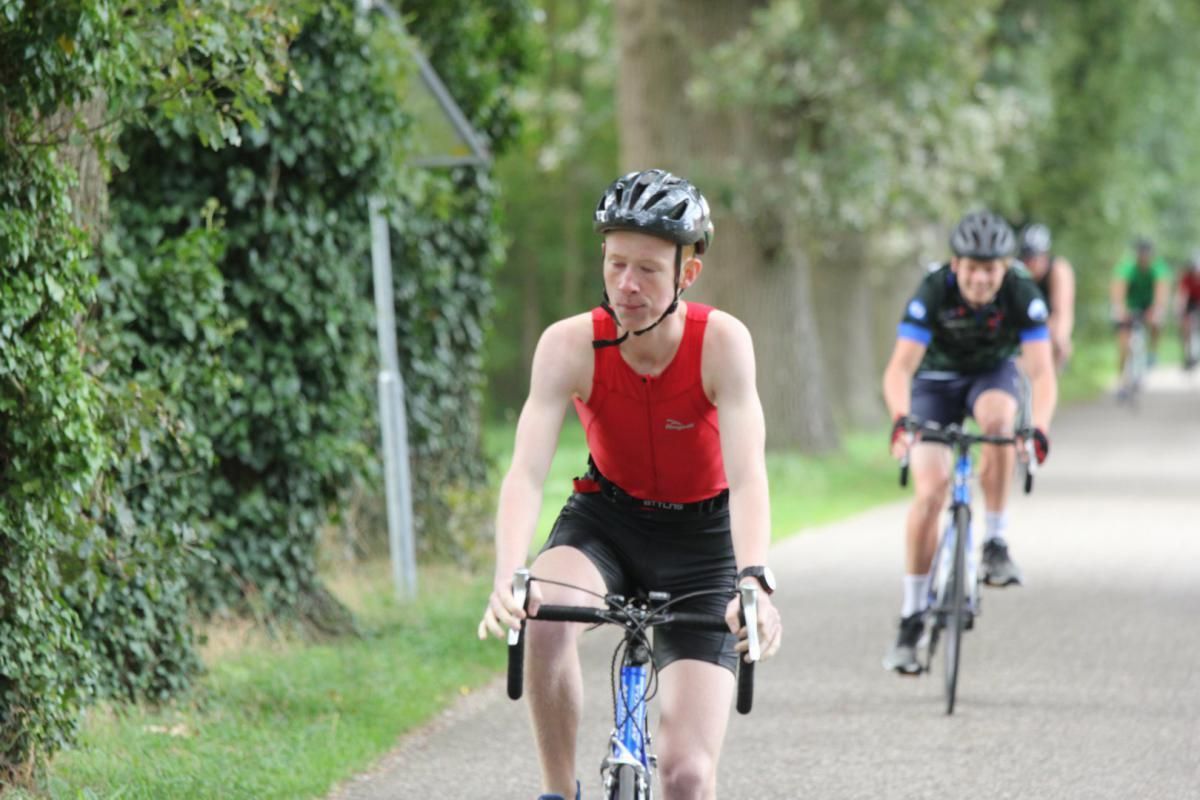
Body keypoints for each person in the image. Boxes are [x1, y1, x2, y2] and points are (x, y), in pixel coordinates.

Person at [476, 168, 783, 800]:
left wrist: (753, 578)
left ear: (686, 274)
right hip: (606, 524)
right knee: (545, 615)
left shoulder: (722, 343)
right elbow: (526, 472)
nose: (627, 284)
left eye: (647, 269)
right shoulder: (569, 344)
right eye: (616, 263)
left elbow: (750, 478)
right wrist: (509, 572)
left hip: (704, 542)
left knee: (688, 775)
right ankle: (559, 790)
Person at [880, 210, 1056, 675]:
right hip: (934, 382)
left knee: (1000, 420)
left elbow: (1040, 371)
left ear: (1005, 269)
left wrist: (1038, 427)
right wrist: (902, 421)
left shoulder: (1022, 291)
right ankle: (912, 614)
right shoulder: (933, 289)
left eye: (991, 269)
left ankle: (995, 540)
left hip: (991, 376)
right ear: (956, 265)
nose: (981, 278)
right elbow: (899, 369)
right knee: (931, 490)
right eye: (972, 268)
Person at [1017, 223, 1076, 372]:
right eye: (1025, 258)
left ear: (1044, 255)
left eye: (1032, 258)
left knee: (1057, 343)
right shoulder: (1018, 271)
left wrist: (1060, 338)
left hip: (1051, 321)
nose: (1028, 264)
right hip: (1025, 322)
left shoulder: (1059, 270)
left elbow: (1062, 311)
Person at [1110, 238, 1172, 379]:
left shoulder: (1158, 268)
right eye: (1141, 254)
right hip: (1130, 305)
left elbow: (1161, 291)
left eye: (1147, 254)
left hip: (1149, 305)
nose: (1144, 257)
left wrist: (1156, 309)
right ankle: (1121, 381)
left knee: (1157, 321)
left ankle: (1153, 351)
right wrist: (1120, 308)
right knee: (1123, 345)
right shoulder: (1127, 267)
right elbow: (1118, 289)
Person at [1176, 251, 1200, 369]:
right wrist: (1181, 308)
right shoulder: (1186, 277)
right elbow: (1182, 294)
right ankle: (1187, 354)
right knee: (1186, 325)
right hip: (1190, 302)